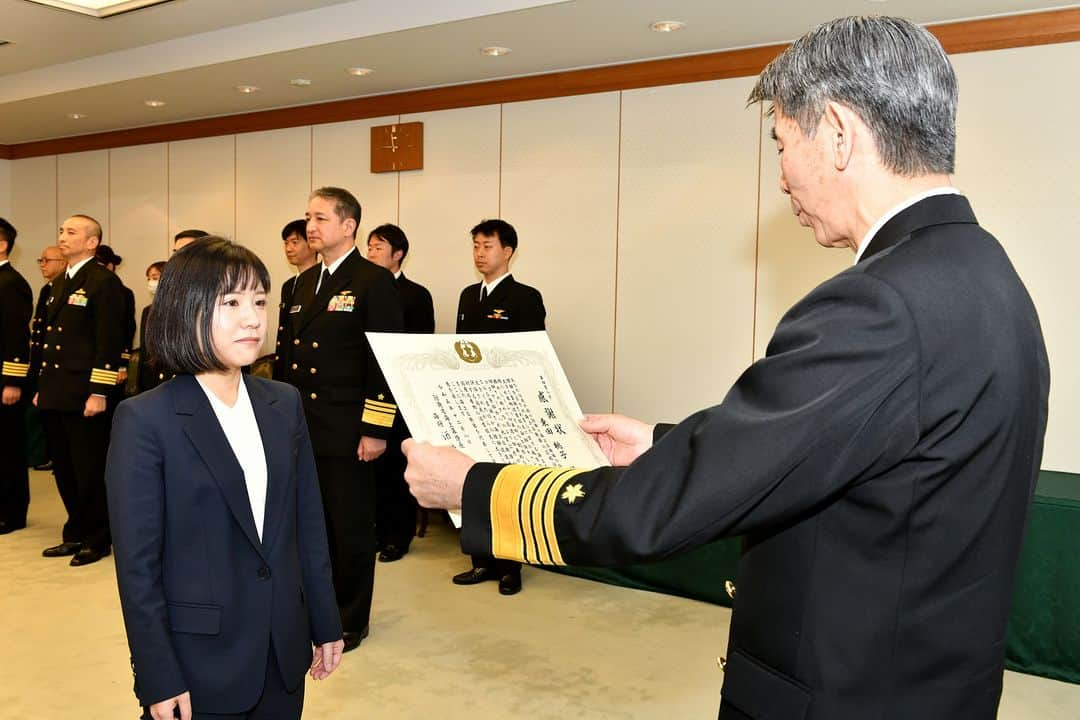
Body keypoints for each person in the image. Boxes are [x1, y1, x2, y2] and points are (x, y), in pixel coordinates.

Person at [402, 16, 1050, 720]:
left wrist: (474, 485)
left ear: (837, 132)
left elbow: (668, 509)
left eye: (781, 143)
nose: (780, 179)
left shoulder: (880, 304)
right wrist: (662, 442)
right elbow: (849, 446)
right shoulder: (984, 274)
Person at [106, 237, 344, 720]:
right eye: (231, 303)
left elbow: (308, 523)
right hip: (198, 665)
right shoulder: (146, 419)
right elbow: (138, 567)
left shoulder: (283, 403)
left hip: (282, 650)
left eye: (259, 301)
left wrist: (324, 620)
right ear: (186, 309)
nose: (253, 318)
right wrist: (157, 673)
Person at [278, 187, 404, 652]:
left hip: (349, 428)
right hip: (303, 424)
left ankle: (351, 618)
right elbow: (287, 359)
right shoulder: (299, 284)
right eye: (308, 218)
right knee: (310, 525)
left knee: (348, 526)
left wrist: (375, 429)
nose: (311, 227)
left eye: (320, 218)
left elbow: (385, 362)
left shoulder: (372, 281)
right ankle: (317, 608)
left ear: (348, 226)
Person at [450, 218, 545, 595]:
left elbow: (533, 353)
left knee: (506, 485)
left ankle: (510, 567)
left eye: (487, 246)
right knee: (474, 482)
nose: (479, 253)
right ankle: (481, 561)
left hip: (507, 406)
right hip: (471, 404)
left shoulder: (525, 297)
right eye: (475, 245)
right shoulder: (467, 296)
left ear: (508, 251)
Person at [36, 214, 128, 566]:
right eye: (61, 230)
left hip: (86, 393)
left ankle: (98, 537)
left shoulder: (103, 283)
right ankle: (74, 532)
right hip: (57, 390)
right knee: (64, 468)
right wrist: (41, 387)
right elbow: (48, 341)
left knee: (89, 468)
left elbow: (109, 341)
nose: (63, 236)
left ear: (92, 242)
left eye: (71, 232)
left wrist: (99, 391)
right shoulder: (58, 284)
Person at [365, 223, 434, 562]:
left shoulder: (416, 295)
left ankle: (398, 536)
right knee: (370, 469)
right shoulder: (361, 289)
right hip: (368, 392)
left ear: (398, 254)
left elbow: (420, 350)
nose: (371, 253)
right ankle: (375, 530)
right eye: (369, 247)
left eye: (379, 247)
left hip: (402, 395)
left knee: (396, 467)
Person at [0, 217, 33, 535]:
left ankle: (11, 513)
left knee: (7, 449)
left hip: (3, 381)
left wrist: (12, 381)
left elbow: (16, 336)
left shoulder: (10, 283)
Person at [25, 245, 67, 470]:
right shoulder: (46, 290)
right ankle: (40, 454)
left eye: (47, 260)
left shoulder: (68, 289)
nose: (42, 264)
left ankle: (48, 455)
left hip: (60, 367)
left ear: (62, 262)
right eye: (40, 260)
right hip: (41, 362)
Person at [273, 219, 318, 381]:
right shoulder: (288, 285)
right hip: (286, 369)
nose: (288, 248)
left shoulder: (321, 283)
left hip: (307, 372)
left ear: (312, 244)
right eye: (286, 243)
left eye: (295, 242)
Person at [94, 244, 137, 390]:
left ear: (110, 266)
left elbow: (127, 328)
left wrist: (122, 365)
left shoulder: (123, 292)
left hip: (112, 363)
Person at [136, 261, 168, 394]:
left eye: (155, 278)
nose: (151, 282)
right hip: (149, 376)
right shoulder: (148, 311)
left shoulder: (179, 309)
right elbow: (144, 348)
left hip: (169, 375)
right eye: (149, 279)